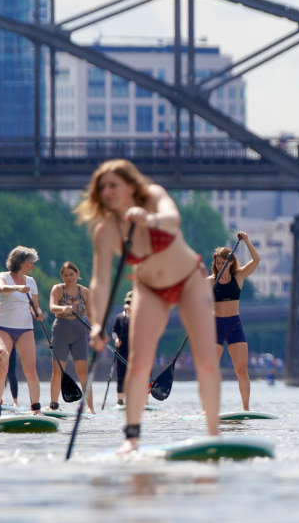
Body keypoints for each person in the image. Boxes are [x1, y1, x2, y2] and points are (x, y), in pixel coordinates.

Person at [81, 159, 220, 454]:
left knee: (206, 361)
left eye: (113, 185)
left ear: (131, 186)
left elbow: (173, 218)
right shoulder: (105, 231)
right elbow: (100, 282)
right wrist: (97, 325)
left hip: (189, 280)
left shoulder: (154, 196)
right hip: (149, 289)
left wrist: (148, 218)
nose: (107, 191)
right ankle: (131, 439)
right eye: (102, 187)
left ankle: (213, 436)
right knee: (139, 362)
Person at [209, 232, 262, 411]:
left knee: (241, 370)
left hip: (234, 325)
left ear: (231, 262)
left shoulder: (238, 277)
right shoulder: (210, 282)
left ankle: (246, 408)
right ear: (214, 264)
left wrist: (246, 240)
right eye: (218, 263)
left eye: (224, 263)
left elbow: (256, 260)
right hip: (215, 326)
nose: (221, 266)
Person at [0, 246, 44, 413]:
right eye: (31, 262)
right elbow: (1, 289)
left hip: (25, 328)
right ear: (21, 262)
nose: (33, 266)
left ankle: (36, 408)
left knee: (30, 369)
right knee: (2, 369)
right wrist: (17, 288)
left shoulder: (31, 282)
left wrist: (38, 313)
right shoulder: (3, 276)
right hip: (4, 327)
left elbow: (35, 306)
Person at [47, 261, 94, 413]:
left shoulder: (85, 292)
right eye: (65, 275)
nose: (69, 278)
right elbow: (52, 307)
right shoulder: (58, 289)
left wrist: (95, 329)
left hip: (80, 333)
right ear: (62, 276)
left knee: (83, 372)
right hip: (61, 331)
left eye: (71, 275)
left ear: (77, 274)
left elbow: (91, 313)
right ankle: (54, 405)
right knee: (58, 371)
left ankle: (90, 408)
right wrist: (63, 308)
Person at [109, 291, 133, 407]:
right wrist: (116, 339)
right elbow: (114, 331)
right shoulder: (120, 317)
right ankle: (120, 401)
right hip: (122, 350)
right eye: (128, 302)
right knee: (121, 374)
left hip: (135, 350)